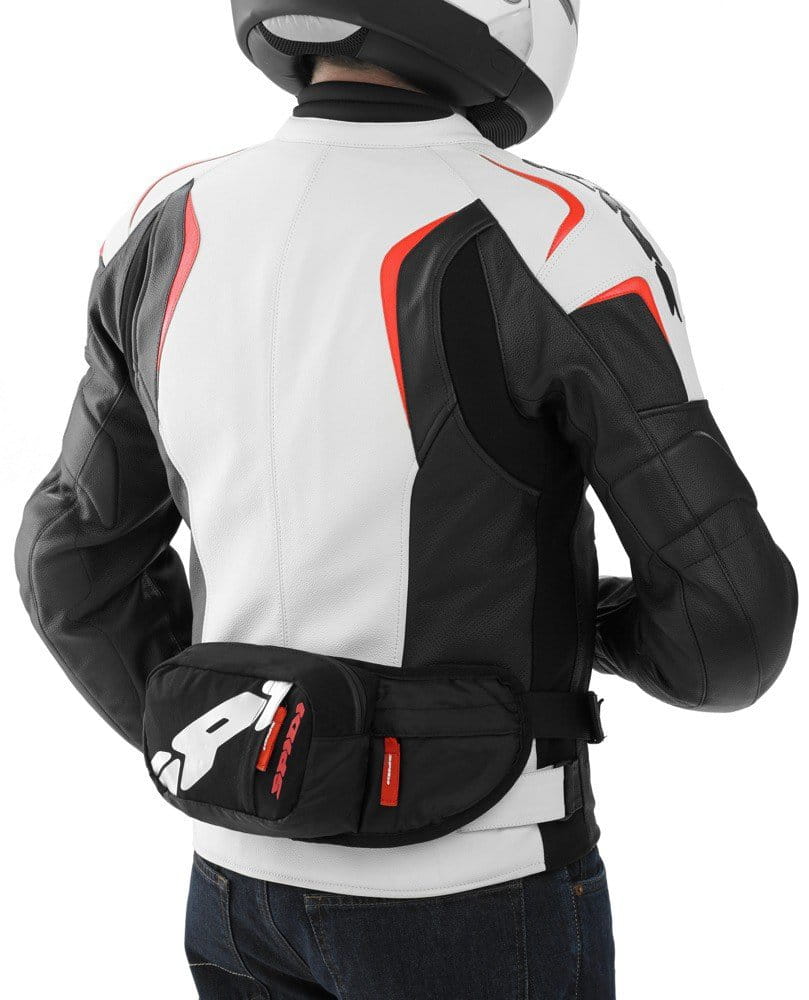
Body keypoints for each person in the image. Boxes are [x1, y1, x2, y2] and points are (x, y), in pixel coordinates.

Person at [15, 3, 797, 998]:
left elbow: (67, 565)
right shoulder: (552, 234)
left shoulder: (161, 226)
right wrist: (591, 626)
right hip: (476, 875)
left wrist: (250, 747)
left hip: (234, 881)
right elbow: (732, 628)